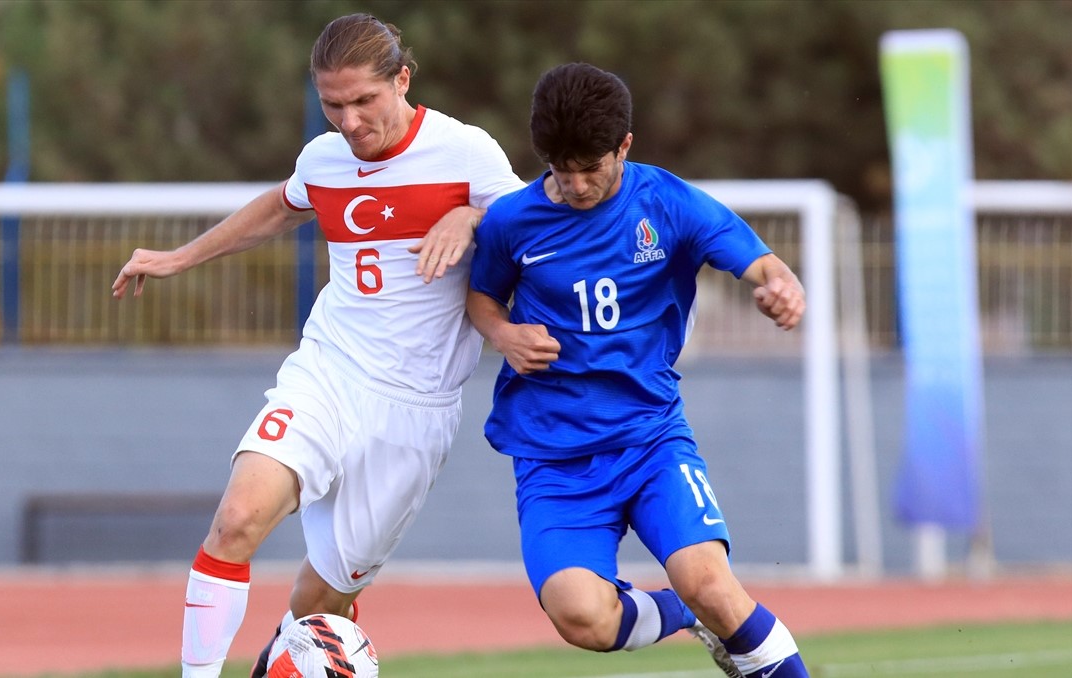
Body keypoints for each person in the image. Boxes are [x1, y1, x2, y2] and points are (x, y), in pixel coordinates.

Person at [112, 14, 525, 678]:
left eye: (364, 100)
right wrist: (179, 258)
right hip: (328, 372)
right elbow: (281, 207)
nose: (350, 121)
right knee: (237, 519)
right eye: (333, 105)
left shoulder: (466, 152)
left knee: (317, 610)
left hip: (414, 409)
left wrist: (473, 216)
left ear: (402, 80)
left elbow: (536, 227)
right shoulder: (324, 159)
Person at [466, 62, 811, 678]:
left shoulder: (666, 202)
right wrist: (504, 334)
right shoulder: (511, 221)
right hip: (553, 455)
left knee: (711, 583)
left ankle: (710, 610)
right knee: (583, 619)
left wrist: (779, 285)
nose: (575, 185)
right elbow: (482, 298)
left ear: (624, 146)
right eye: (561, 169)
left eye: (590, 168)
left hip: (650, 437)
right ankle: (686, 614)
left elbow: (758, 261)